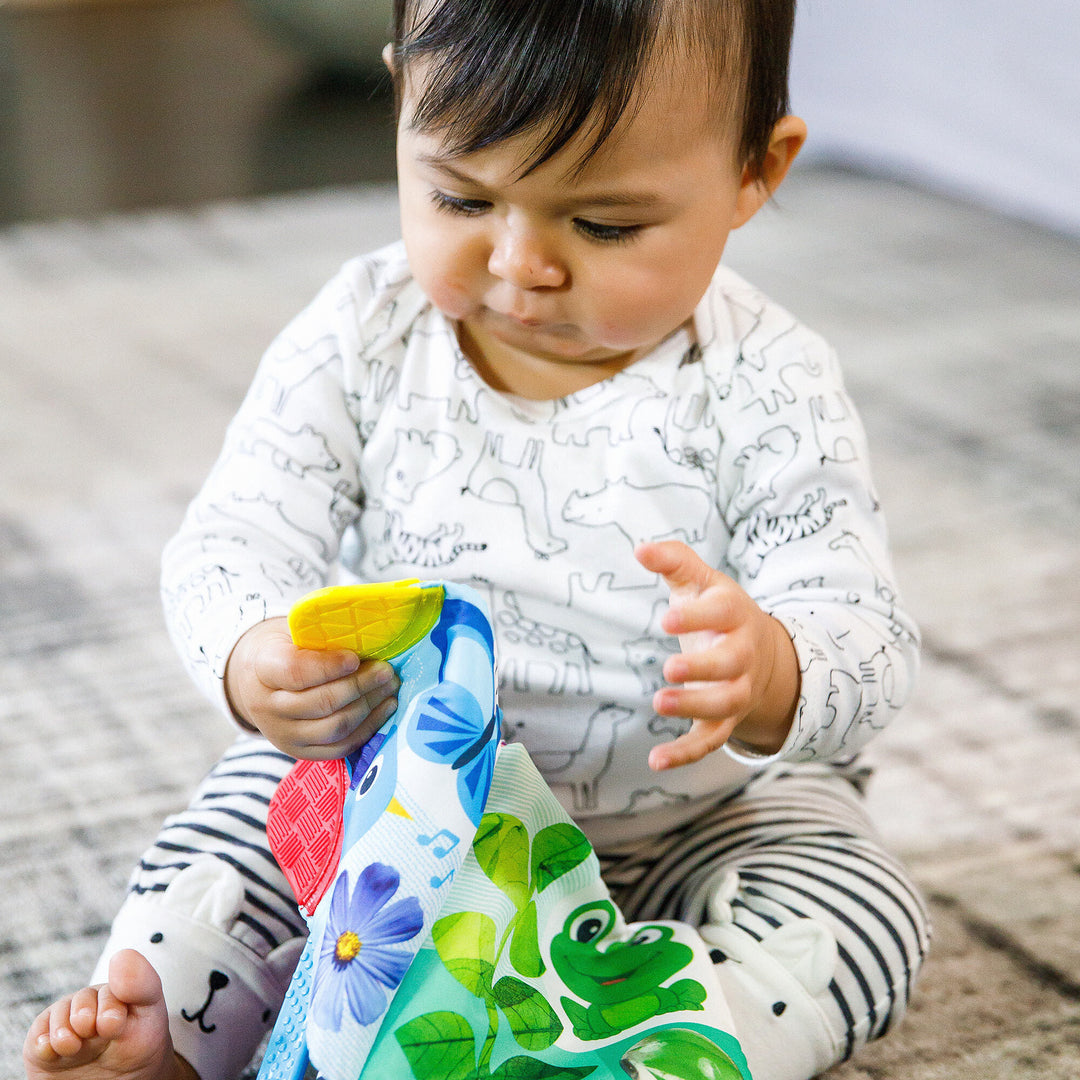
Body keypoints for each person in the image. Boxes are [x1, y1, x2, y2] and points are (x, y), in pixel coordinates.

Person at [24, 2, 930, 1078]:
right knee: (236, 828)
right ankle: (166, 1023)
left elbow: (865, 626)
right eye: (462, 196)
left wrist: (779, 665)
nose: (521, 264)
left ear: (755, 170)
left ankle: (650, 1037)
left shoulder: (771, 385)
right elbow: (235, 535)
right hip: (396, 801)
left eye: (602, 225)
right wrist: (248, 653)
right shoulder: (363, 334)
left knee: (861, 918)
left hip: (699, 818)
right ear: (403, 98)